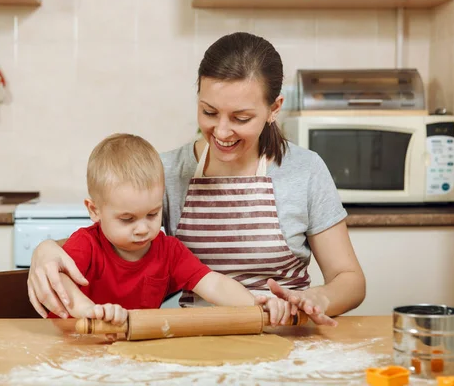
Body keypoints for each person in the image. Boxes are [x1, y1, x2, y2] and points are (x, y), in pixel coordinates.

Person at [28, 32, 365, 327]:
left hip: (286, 331)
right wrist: (44, 251)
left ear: (274, 109)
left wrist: (316, 299)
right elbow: (107, 238)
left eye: (241, 117)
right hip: (196, 335)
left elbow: (349, 280)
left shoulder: (305, 170)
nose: (220, 131)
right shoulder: (168, 171)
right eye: (208, 112)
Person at [47, 133, 294, 331]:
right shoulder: (85, 244)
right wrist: (87, 310)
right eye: (127, 219)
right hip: (67, 343)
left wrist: (254, 304)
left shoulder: (169, 251)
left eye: (152, 214)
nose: (143, 229)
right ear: (94, 210)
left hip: (121, 350)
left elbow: (214, 284)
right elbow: (59, 279)